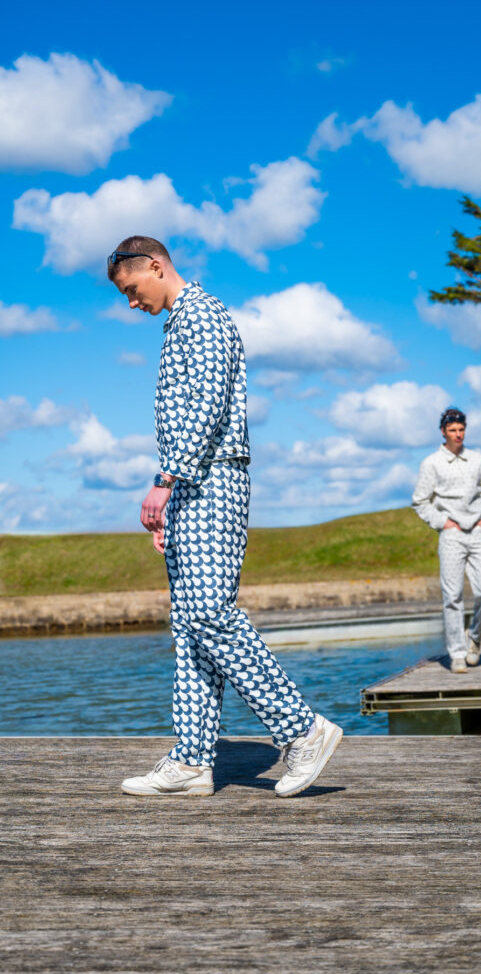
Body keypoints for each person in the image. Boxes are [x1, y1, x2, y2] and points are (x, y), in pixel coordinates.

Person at [107, 236, 342, 797]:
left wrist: (166, 482)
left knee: (211, 612)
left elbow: (209, 405)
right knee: (188, 625)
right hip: (192, 483)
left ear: (156, 267)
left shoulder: (204, 316)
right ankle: (191, 760)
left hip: (213, 479)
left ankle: (303, 731)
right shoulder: (177, 325)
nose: (132, 304)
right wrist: (173, 501)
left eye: (132, 290)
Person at [412, 407, 481, 674]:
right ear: (443, 431)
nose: (458, 434)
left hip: (477, 530)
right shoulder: (431, 463)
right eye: (453, 430)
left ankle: (474, 637)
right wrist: (442, 523)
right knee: (453, 596)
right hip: (450, 534)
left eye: (461, 430)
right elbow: (420, 501)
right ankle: (457, 654)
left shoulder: (477, 460)